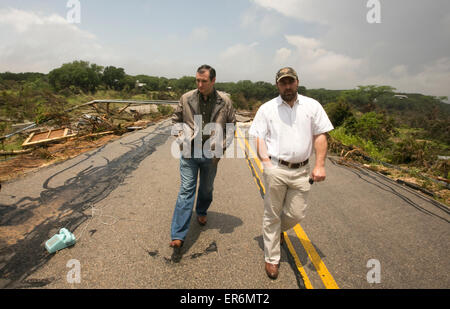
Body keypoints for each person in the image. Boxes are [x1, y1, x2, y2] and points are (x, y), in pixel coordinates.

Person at [248, 67, 334, 279]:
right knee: (272, 213)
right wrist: (266, 163)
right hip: (276, 168)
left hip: (302, 170)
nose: (287, 86)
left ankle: (275, 232)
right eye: (283, 82)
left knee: (297, 214)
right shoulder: (267, 109)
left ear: (297, 82)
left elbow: (320, 135)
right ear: (277, 85)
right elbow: (258, 137)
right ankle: (272, 258)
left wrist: (319, 164)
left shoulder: (312, 106)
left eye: (291, 81)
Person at [170, 65, 236, 249]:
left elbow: (231, 125)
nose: (200, 84)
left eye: (204, 81)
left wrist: (221, 148)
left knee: (206, 188)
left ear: (213, 81)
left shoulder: (225, 101)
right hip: (189, 153)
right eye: (197, 80)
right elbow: (175, 120)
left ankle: (201, 210)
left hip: (210, 154)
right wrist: (181, 139)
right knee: (186, 190)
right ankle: (178, 234)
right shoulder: (186, 98)